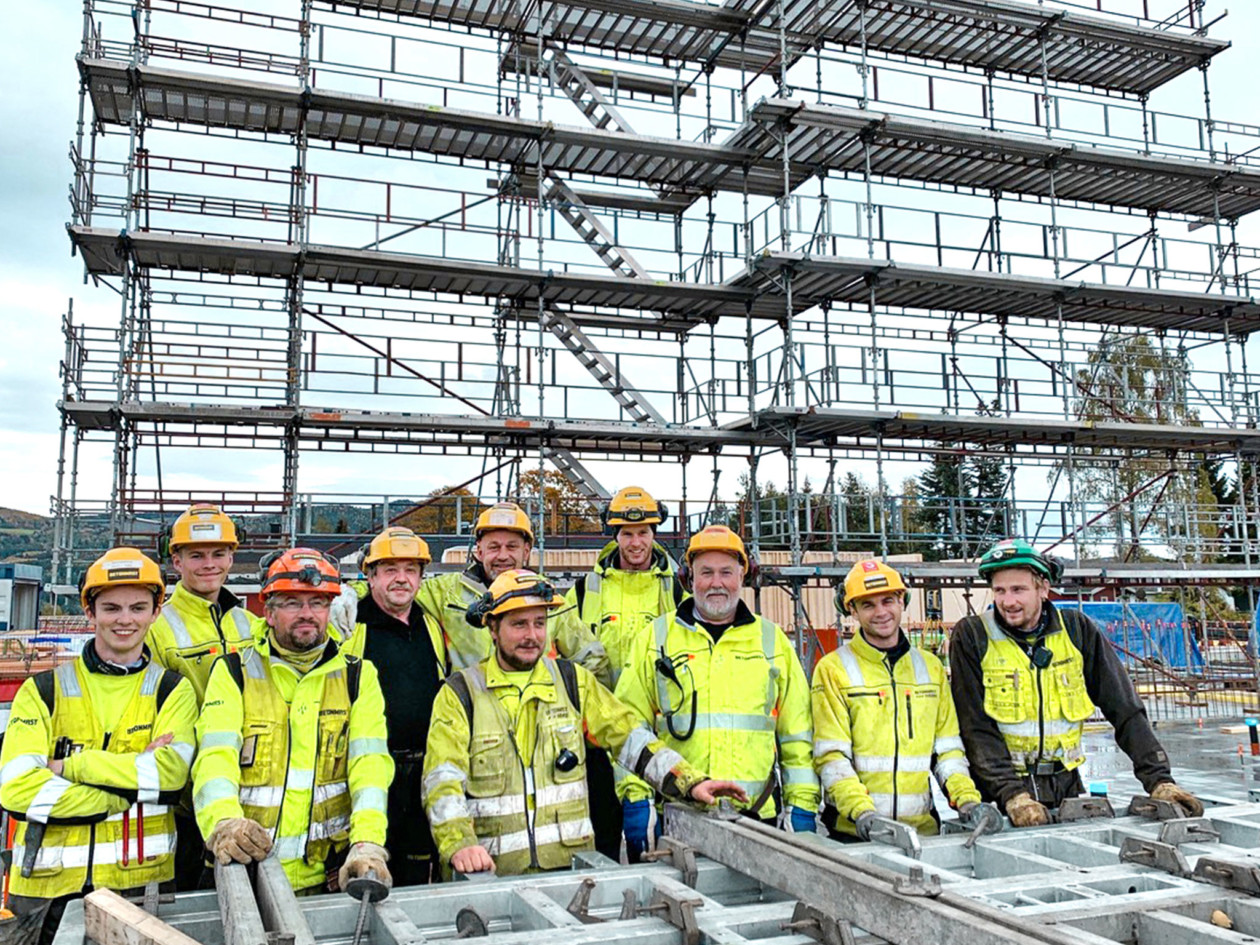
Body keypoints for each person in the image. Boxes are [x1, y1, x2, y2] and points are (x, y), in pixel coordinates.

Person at [421, 570, 746, 877]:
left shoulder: (572, 681)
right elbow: (441, 780)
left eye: (539, 623)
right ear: (493, 628)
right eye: (519, 624)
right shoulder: (460, 693)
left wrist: (688, 783)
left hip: (570, 874)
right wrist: (459, 843)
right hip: (490, 874)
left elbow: (630, 738)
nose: (532, 636)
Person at [0, 548, 196, 945]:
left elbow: (171, 775)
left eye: (138, 607)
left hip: (141, 889)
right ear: (90, 612)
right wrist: (123, 790)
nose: (125, 620)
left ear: (156, 612)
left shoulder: (172, 691)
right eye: (111, 608)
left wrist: (69, 765)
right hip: (43, 893)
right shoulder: (42, 691)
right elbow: (17, 789)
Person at [950, 539, 1203, 827]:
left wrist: (1158, 779)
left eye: (1018, 589)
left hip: (1067, 788)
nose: (1008, 601)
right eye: (999, 591)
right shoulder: (972, 636)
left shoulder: (1076, 630)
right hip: (1001, 795)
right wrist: (1012, 794)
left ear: (1043, 588)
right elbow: (975, 727)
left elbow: (1125, 708)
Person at [192, 548, 394, 893]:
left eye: (317, 603)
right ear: (268, 612)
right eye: (291, 603)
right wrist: (223, 822)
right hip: (243, 870)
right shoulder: (233, 672)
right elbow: (215, 758)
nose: (307, 614)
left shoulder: (358, 677)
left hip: (325, 875)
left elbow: (370, 767)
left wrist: (368, 842)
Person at [615, 525, 819, 860]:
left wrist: (802, 806)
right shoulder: (655, 639)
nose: (716, 583)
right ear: (688, 578)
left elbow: (797, 737)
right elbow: (629, 728)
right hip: (678, 818)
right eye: (706, 572)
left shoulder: (773, 642)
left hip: (756, 817)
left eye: (727, 572)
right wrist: (637, 800)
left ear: (743, 575)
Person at [812, 560, 985, 842]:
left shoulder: (930, 668)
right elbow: (831, 756)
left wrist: (966, 799)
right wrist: (861, 812)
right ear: (852, 611)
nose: (881, 612)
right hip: (853, 831)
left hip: (922, 831)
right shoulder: (833, 669)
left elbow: (947, 750)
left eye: (888, 600)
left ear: (902, 601)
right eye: (867, 605)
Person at [565, 486, 687, 862]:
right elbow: (563, 657)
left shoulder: (678, 589)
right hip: (597, 739)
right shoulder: (586, 591)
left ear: (655, 533)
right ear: (614, 535)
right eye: (627, 533)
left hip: (661, 734)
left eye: (644, 532)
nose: (636, 542)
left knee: (656, 846)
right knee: (598, 839)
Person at [144, 503, 261, 889]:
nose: (209, 564)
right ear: (176, 560)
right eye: (196, 555)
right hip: (185, 800)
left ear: (231, 557)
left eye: (218, 554)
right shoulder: (158, 627)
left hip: (249, 785)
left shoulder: (248, 622)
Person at [329, 526, 447, 886]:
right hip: (365, 777)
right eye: (390, 570)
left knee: (413, 879)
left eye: (410, 570)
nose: (401, 579)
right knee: (359, 879)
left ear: (421, 578)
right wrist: (345, 593)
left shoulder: (431, 622)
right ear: (370, 575)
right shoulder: (349, 624)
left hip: (422, 774)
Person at [416, 501, 610, 682]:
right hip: (474, 713)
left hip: (537, 711)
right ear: (479, 550)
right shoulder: (445, 594)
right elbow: (396, 595)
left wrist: (567, 700)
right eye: (494, 547)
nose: (503, 556)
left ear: (526, 551)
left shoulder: (549, 598)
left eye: (511, 547)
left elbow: (593, 658)